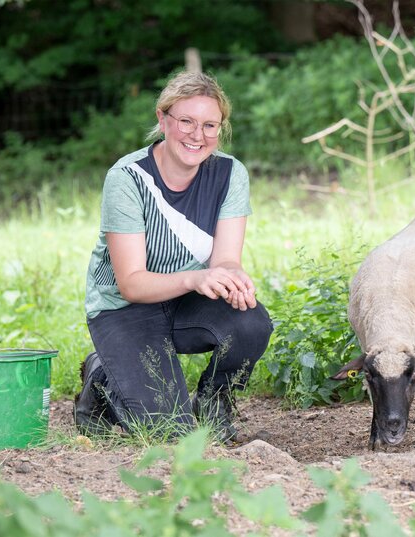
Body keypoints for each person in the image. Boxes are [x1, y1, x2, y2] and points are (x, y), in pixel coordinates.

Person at [75, 70, 273, 442]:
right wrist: (196, 278)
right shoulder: (128, 178)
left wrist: (233, 278)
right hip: (125, 308)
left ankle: (213, 401)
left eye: (210, 125)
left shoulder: (230, 173)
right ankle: (102, 378)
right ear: (163, 119)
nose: (198, 135)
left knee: (251, 323)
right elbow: (131, 284)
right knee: (171, 433)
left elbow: (226, 259)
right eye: (186, 121)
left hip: (187, 301)